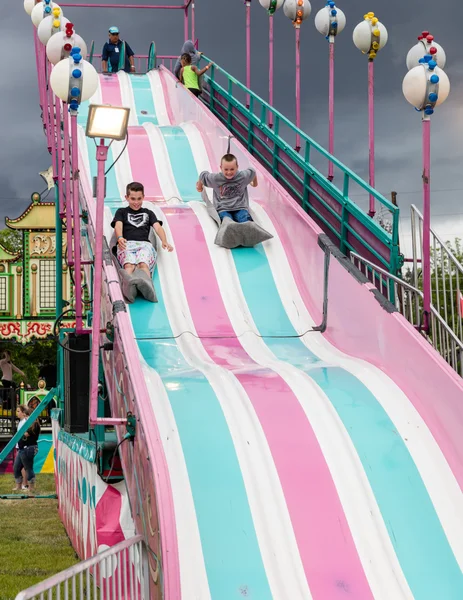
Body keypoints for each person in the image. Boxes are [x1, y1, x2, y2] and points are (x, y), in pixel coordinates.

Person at [111, 182, 174, 277]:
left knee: (143, 265)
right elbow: (118, 225)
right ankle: (128, 286)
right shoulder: (122, 212)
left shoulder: (148, 213)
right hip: (127, 244)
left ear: (143, 197)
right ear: (126, 197)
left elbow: (157, 227)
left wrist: (164, 241)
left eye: (139, 199)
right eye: (133, 199)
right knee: (129, 265)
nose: (136, 202)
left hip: (144, 245)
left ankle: (146, 285)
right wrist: (119, 237)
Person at [196, 154, 258, 223]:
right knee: (227, 221)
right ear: (221, 168)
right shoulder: (216, 178)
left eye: (232, 169)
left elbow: (252, 171)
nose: (229, 172)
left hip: (240, 207)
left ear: (237, 167)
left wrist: (255, 183)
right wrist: (199, 186)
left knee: (244, 219)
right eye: (226, 169)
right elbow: (203, 175)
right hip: (223, 208)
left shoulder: (242, 176)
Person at [13, 405, 40, 494]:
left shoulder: (34, 424)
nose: (25, 416)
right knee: (16, 467)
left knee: (28, 467)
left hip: (29, 448)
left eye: (27, 415)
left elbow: (25, 434)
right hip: (21, 448)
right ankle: (18, 486)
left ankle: (31, 486)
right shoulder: (26, 423)